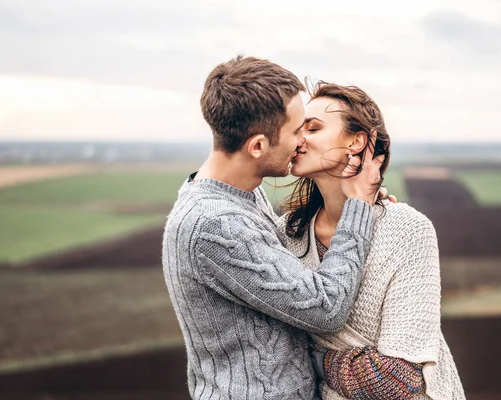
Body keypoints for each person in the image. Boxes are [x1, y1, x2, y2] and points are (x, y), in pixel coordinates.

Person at [162, 56, 387, 399]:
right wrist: (358, 209)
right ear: (258, 146)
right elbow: (325, 309)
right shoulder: (213, 224)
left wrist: (344, 204)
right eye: (297, 131)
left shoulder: (239, 196)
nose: (302, 142)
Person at [279, 81, 466, 399]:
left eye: (313, 128)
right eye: (297, 129)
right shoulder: (288, 234)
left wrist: (315, 361)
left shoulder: (407, 231)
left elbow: (398, 378)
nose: (299, 139)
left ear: (356, 141)